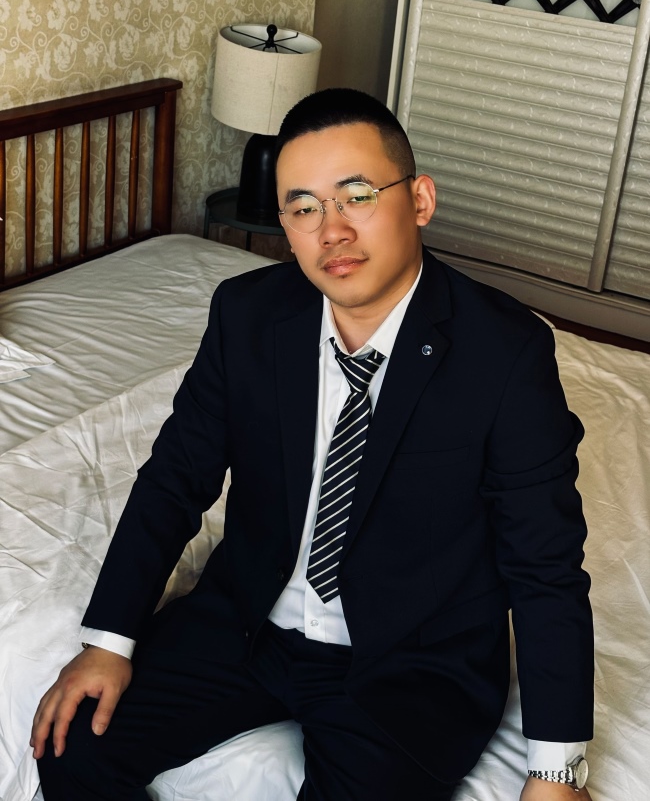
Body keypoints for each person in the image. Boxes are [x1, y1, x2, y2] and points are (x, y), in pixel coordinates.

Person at [31, 88, 594, 800]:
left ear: (420, 199)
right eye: (303, 208)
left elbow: (545, 565)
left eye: (357, 196)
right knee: (73, 743)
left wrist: (557, 770)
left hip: (409, 667)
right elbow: (175, 477)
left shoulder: (506, 353)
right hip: (246, 624)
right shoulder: (248, 316)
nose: (332, 231)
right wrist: (108, 640)